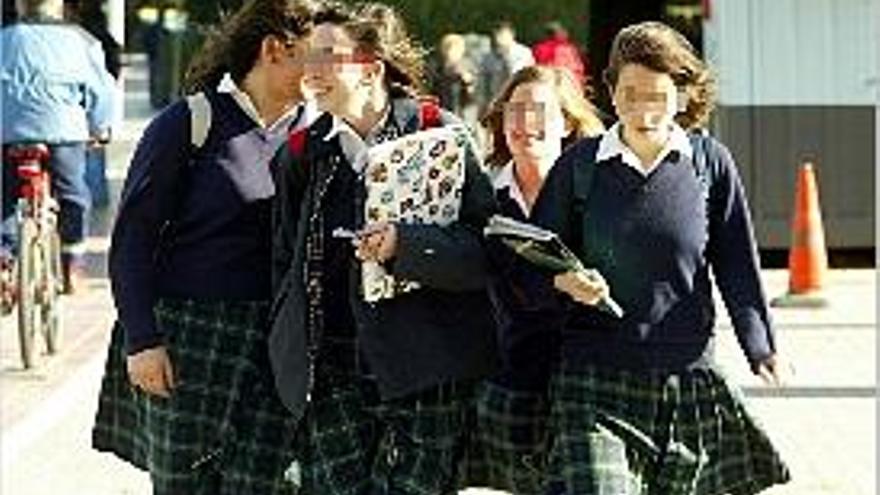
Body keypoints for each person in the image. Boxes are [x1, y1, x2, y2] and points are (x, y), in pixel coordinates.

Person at [530, 21, 791, 494]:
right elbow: (532, 257)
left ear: (684, 95)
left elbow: (736, 261)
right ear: (610, 91)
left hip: (685, 377)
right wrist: (562, 281)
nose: (642, 109)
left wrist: (762, 346)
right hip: (592, 379)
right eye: (629, 93)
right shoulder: (580, 167)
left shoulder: (711, 164)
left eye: (656, 95)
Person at [269, 2, 498, 493]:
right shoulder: (302, 153)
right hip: (331, 373)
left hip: (427, 369)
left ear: (371, 68)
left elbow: (484, 253)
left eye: (328, 55)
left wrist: (406, 245)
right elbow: (285, 261)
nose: (312, 70)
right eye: (310, 55)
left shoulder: (442, 134)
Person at [90, 1, 317, 493]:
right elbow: (132, 238)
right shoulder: (189, 121)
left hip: (275, 346)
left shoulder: (314, 135)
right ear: (274, 50)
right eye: (316, 56)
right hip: (189, 340)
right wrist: (142, 340)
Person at [463, 64, 604, 494]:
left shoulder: (597, 192)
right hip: (511, 381)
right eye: (515, 110)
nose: (526, 124)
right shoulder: (483, 200)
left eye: (540, 111)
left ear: (567, 124)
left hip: (586, 379)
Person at [1, 0, 116, 294]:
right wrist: (100, 128)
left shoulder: (4, 38)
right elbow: (100, 92)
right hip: (63, 132)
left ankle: (3, 260)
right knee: (74, 194)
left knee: (4, 195)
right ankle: (71, 264)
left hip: (7, 131)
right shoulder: (81, 41)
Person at [480, 21, 535, 107]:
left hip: (519, 99)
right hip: (496, 100)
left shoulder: (523, 53)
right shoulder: (489, 56)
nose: (499, 38)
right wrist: (483, 102)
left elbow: (521, 75)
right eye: (497, 34)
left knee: (517, 119)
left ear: (511, 35)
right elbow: (484, 81)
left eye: (502, 35)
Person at [531, 21, 587, 88]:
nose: (566, 34)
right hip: (563, 85)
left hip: (544, 84)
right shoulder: (566, 49)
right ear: (556, 34)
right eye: (563, 31)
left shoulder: (538, 48)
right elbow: (574, 69)